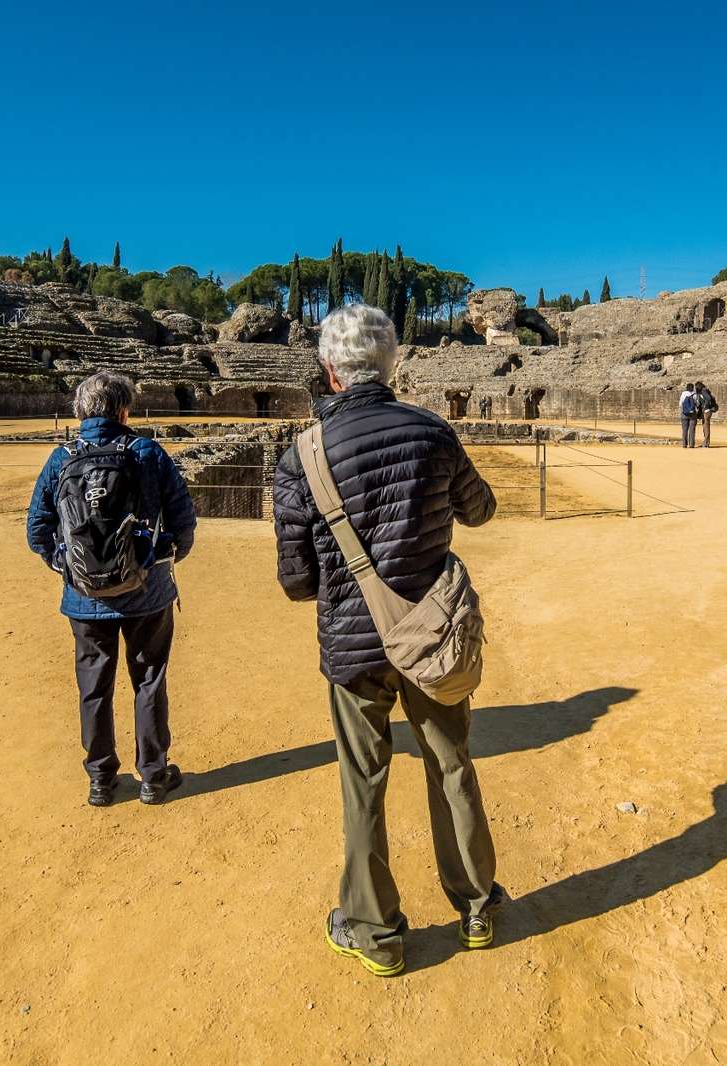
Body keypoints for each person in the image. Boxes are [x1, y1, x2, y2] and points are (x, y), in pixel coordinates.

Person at [273, 304, 505, 978]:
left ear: (330, 371)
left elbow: (296, 580)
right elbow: (480, 509)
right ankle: (476, 905)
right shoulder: (432, 432)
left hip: (353, 647)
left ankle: (375, 931)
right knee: (451, 766)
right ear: (391, 363)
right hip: (431, 636)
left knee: (363, 783)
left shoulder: (301, 456)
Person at [25, 371, 199, 807]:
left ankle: (101, 780)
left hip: (84, 599)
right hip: (147, 592)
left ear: (80, 412)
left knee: (94, 686)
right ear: (124, 411)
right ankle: (153, 776)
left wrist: (66, 566)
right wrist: (165, 558)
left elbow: (37, 529)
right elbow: (183, 519)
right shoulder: (147, 452)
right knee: (150, 680)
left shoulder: (61, 459)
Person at [696, 381, 719, 448]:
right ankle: (705, 442)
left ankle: (706, 443)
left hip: (707, 411)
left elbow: (708, 399)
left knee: (706, 427)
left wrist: (705, 407)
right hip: (706, 411)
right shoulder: (703, 391)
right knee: (705, 427)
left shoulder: (703, 390)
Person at [678, 382, 698, 448]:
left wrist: (685, 409)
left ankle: (684, 444)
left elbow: (680, 404)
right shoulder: (695, 394)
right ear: (693, 388)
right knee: (692, 430)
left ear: (686, 388)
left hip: (684, 414)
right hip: (693, 414)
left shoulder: (683, 393)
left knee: (684, 430)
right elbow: (697, 404)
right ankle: (691, 444)